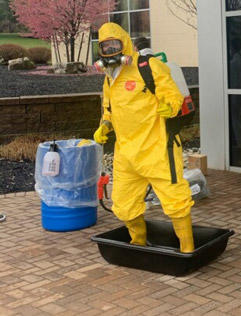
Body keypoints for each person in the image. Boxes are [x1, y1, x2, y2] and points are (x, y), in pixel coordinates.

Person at [93, 22, 195, 253]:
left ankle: (188, 248)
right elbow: (109, 109)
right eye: (105, 47)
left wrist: (170, 106)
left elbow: (172, 94)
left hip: (158, 148)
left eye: (114, 44)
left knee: (175, 200)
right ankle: (138, 241)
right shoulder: (110, 78)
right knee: (123, 203)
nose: (110, 51)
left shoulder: (149, 66)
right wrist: (105, 126)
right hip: (127, 154)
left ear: (125, 43)